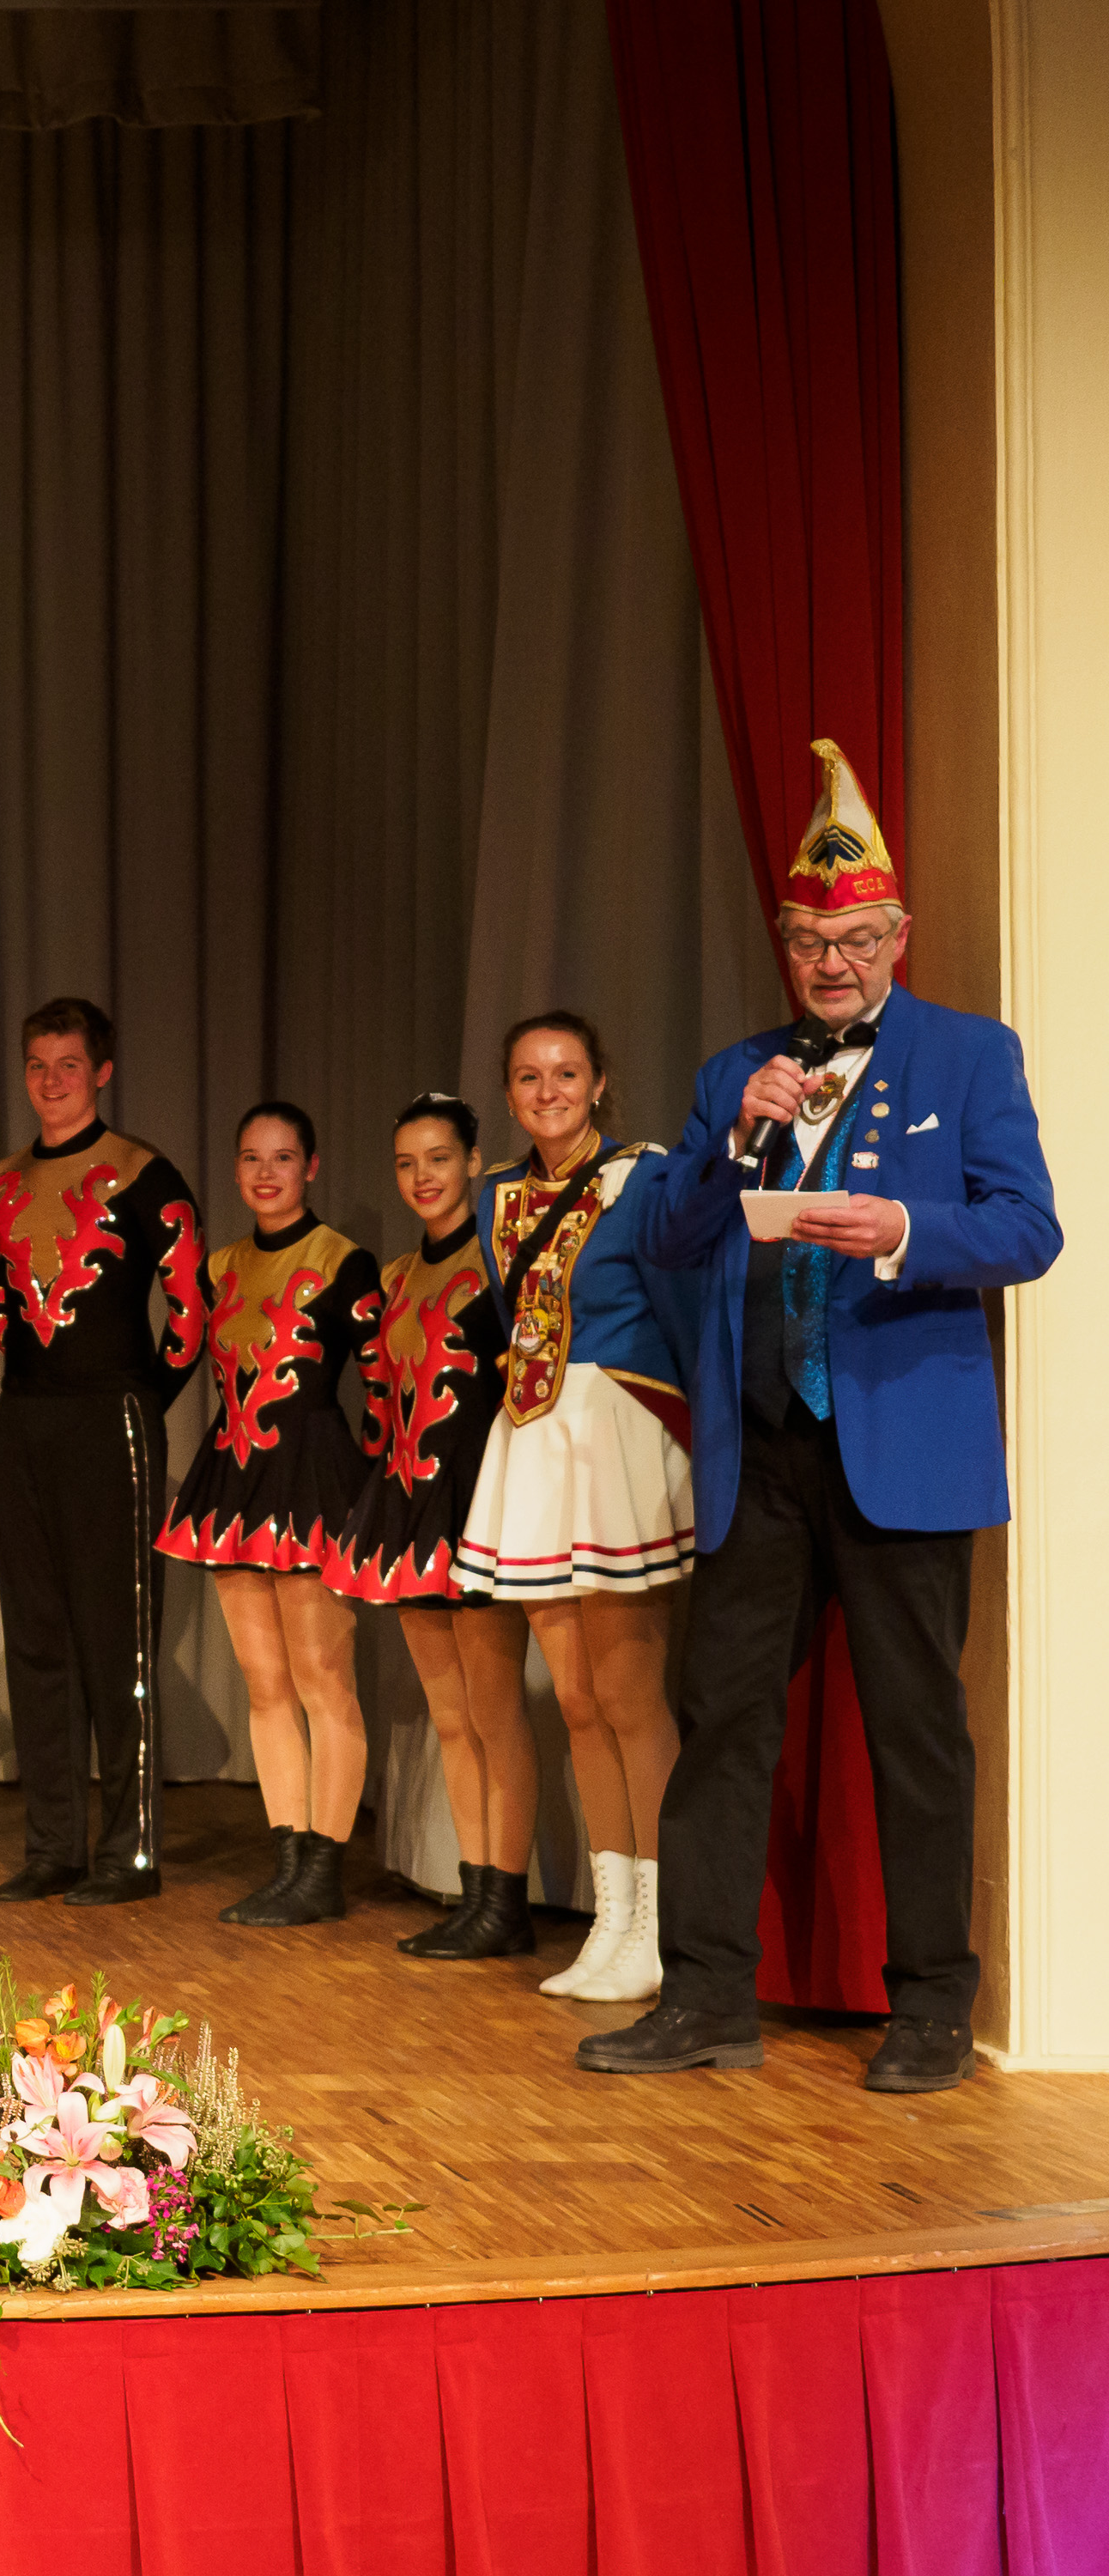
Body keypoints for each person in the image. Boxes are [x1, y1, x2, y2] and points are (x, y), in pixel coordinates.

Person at [590, 742, 1062, 2089]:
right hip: (759, 1451)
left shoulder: (969, 1056)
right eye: (808, 942)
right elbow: (669, 1236)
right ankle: (705, 1999)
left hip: (902, 1445)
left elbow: (1030, 1229)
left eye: (856, 940)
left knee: (915, 1732)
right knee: (724, 1722)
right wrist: (730, 1140)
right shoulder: (734, 1072)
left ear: (898, 936)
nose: (833, 964)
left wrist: (906, 1229)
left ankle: (932, 2009)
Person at [454, 1011, 696, 2006]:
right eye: (527, 1077)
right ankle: (611, 1919)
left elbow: (683, 1311)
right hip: (533, 1436)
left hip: (617, 1433)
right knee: (578, 1702)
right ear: (508, 1093)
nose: (547, 1091)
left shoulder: (646, 1176)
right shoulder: (492, 1197)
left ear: (599, 1082)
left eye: (565, 1073)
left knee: (631, 1697)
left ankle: (664, 1928)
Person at [0, 996, 208, 1905]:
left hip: (114, 1419)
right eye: (38, 1065)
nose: (51, 1081)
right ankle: (53, 1844)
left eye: (68, 1064)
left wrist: (136, 1402)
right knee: (36, 1637)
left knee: (117, 1642)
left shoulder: (144, 1174)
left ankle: (129, 1853)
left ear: (100, 1072)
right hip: (25, 1419)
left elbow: (191, 1313)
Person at [159, 1104, 381, 1928]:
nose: (265, 1173)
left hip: (313, 1476)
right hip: (236, 1478)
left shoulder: (344, 1262)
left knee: (324, 1681)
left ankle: (325, 1868)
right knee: (265, 1683)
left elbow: (383, 1386)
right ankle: (287, 1861)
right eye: (252, 1157)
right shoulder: (218, 1267)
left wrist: (372, 1489)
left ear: (310, 1167)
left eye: (282, 1157)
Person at [325, 1094, 537, 1959]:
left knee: (494, 1711)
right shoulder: (393, 1278)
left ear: (474, 1162)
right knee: (451, 1717)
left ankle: (507, 1899)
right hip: (411, 1505)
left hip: (479, 1504)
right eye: (407, 1164)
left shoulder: (501, 1265)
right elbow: (381, 1402)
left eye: (439, 1159)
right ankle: (474, 1889)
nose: (422, 1178)